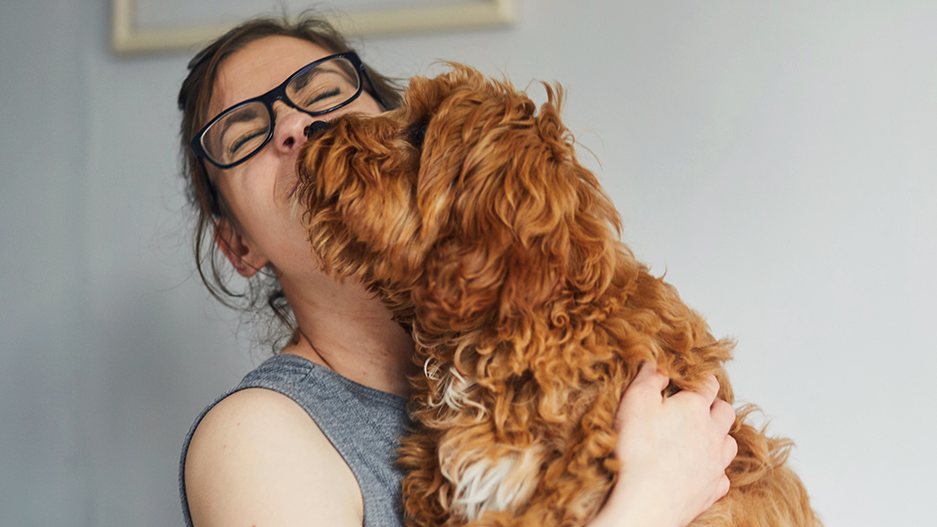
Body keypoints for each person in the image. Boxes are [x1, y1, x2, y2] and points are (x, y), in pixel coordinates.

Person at [176, 14, 738, 527]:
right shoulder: (253, 437)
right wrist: (651, 500)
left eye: (322, 93)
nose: (297, 126)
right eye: (243, 134)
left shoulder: (583, 352)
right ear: (238, 245)